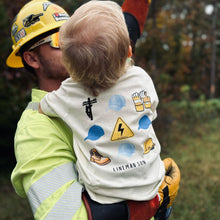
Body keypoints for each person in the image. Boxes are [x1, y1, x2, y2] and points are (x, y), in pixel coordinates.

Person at [7, 0, 180, 219]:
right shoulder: (35, 128)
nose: (74, 43)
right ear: (32, 58)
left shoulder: (109, 75)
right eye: (60, 38)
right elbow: (63, 216)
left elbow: (116, 36)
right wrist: (150, 203)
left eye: (72, 32)